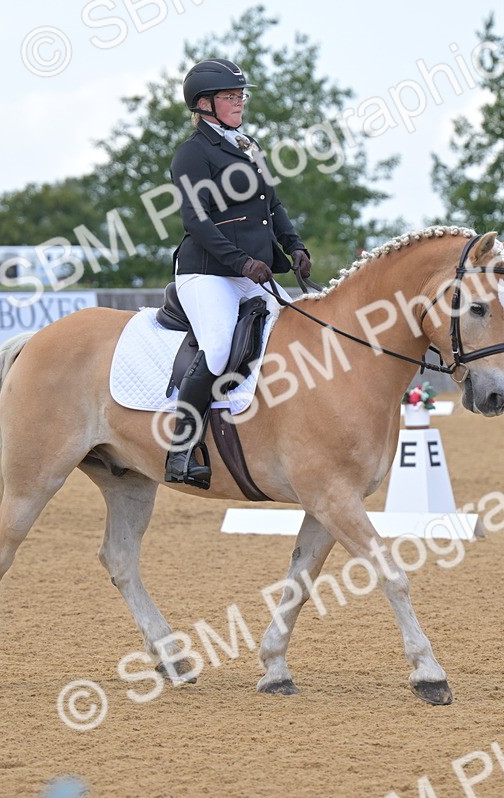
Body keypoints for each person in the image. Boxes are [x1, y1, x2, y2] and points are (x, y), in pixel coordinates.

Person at [164, 58, 311, 489]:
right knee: (217, 345)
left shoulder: (246, 146)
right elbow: (196, 220)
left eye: (240, 95)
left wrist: (294, 245)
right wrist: (242, 262)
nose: (239, 102)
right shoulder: (192, 153)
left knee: (299, 331)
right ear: (204, 104)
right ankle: (180, 449)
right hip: (206, 273)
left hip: (252, 272)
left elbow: (273, 207)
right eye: (230, 97)